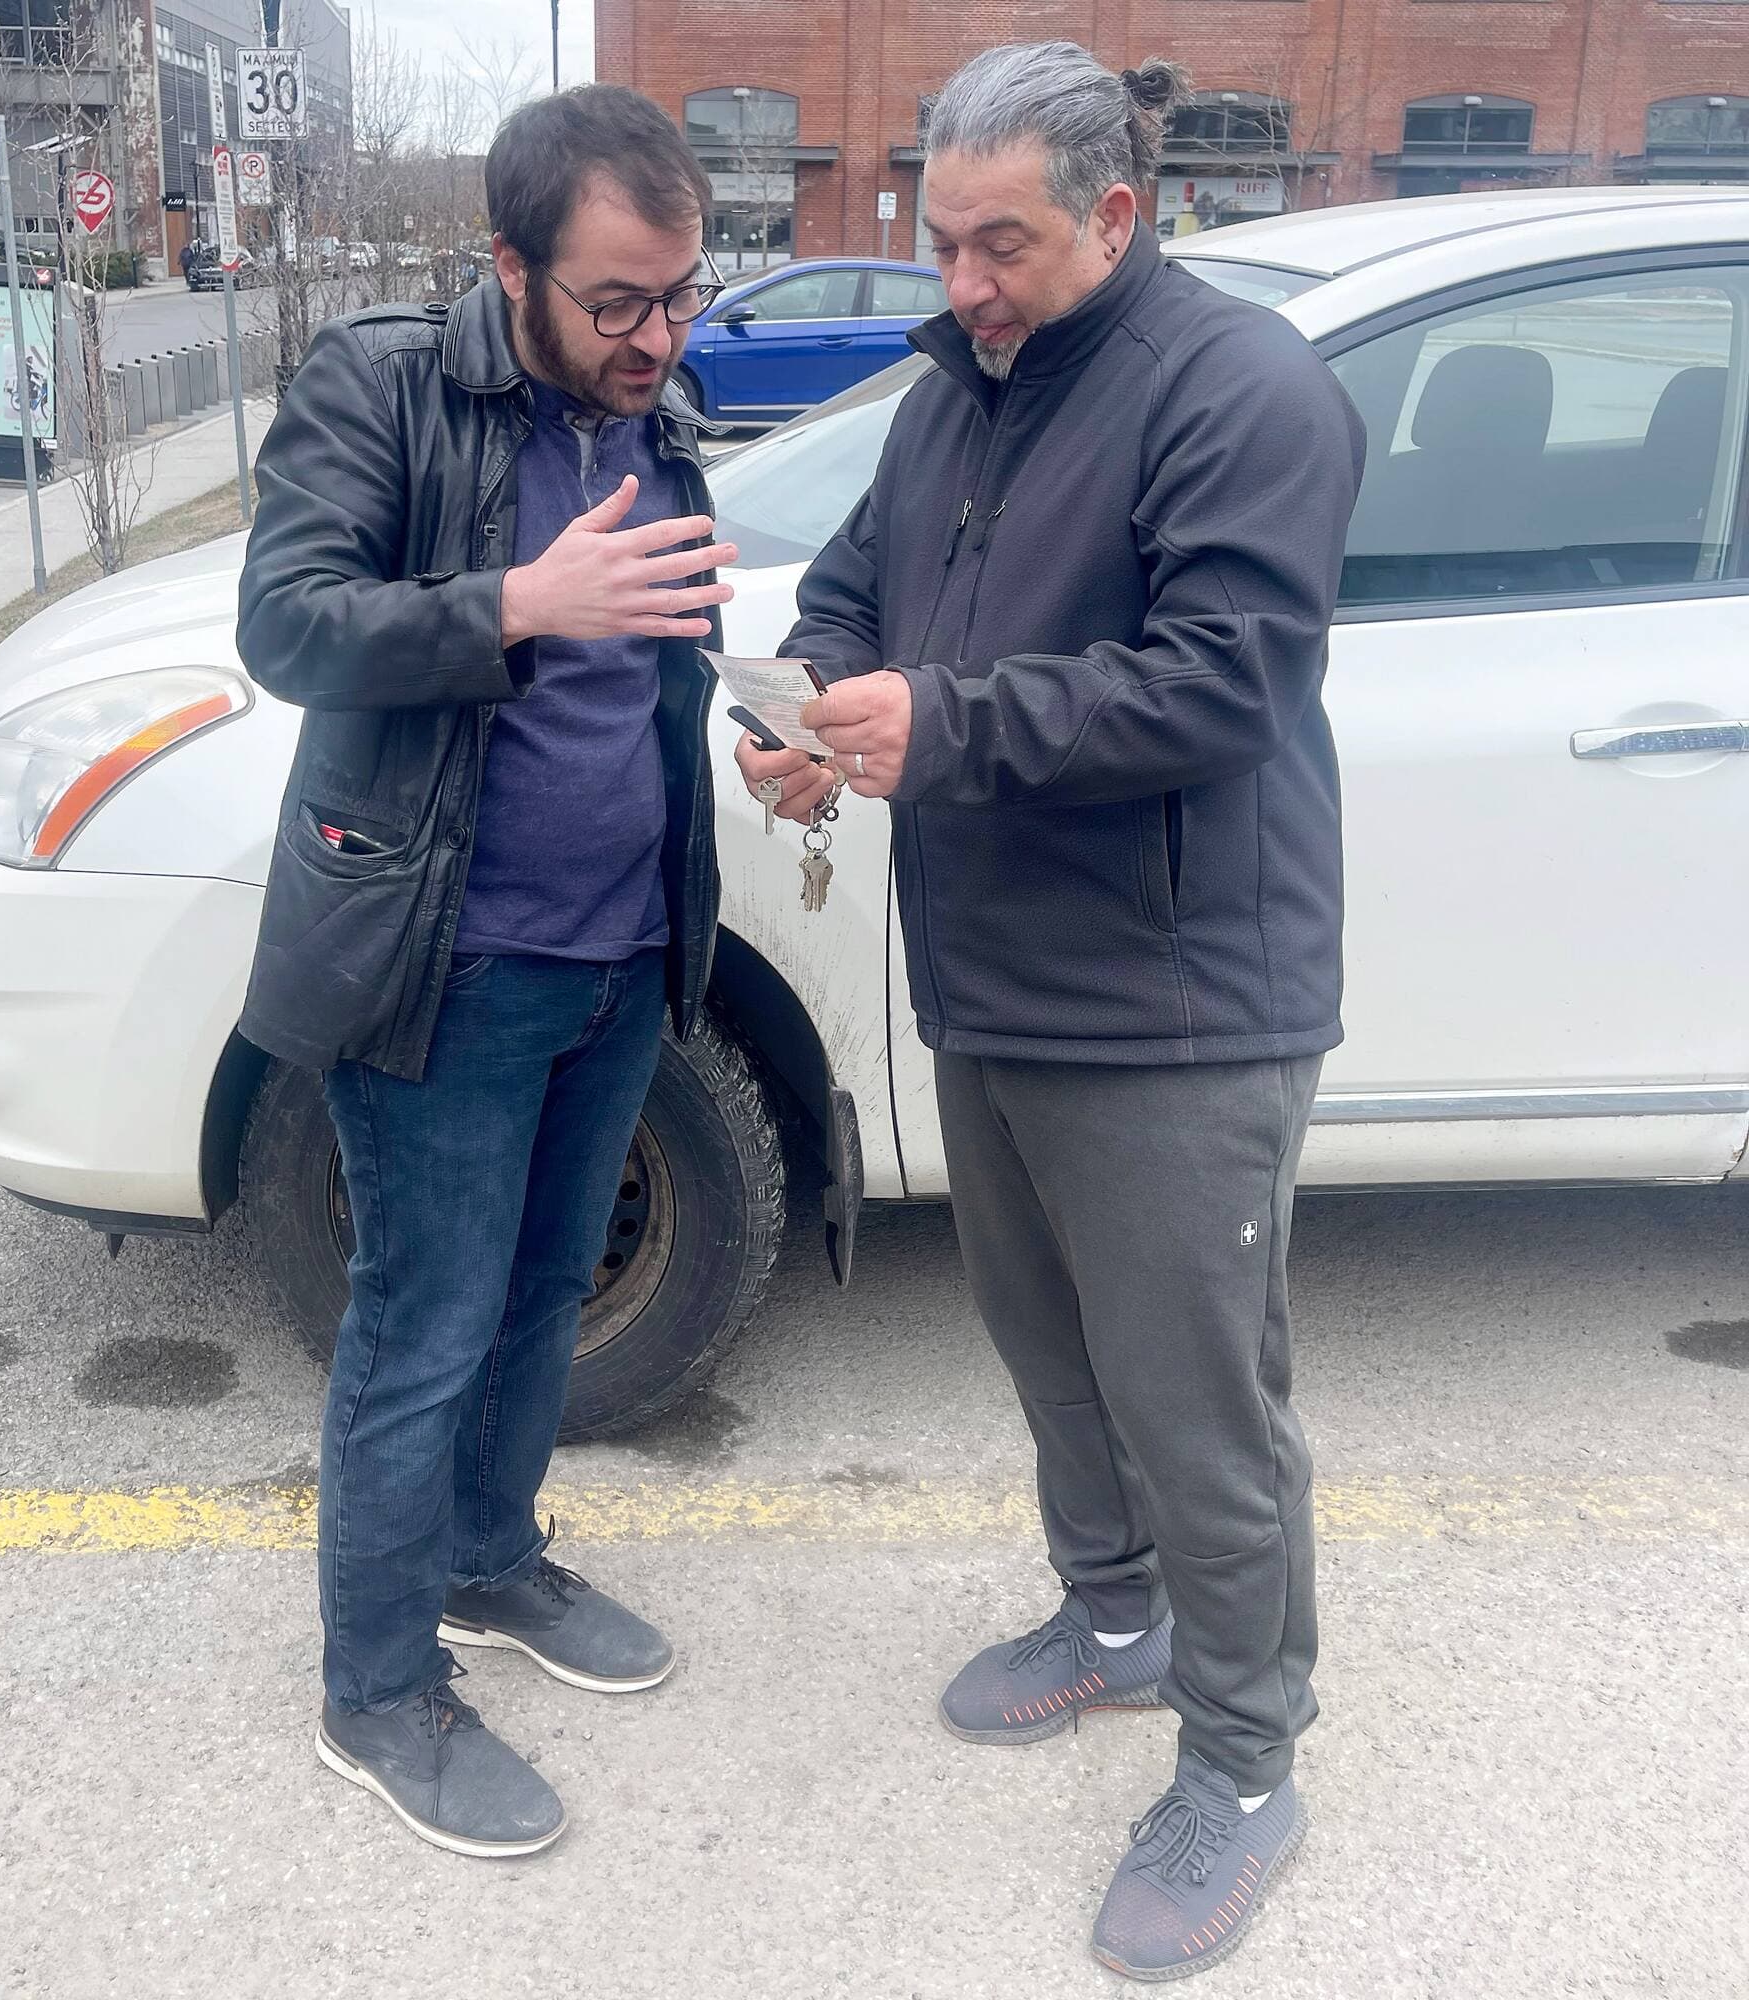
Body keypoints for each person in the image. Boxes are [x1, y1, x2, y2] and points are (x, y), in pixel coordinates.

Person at [738, 41, 1365, 1982]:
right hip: (997, 975)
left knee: (1200, 1403)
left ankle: (1246, 1763)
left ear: (1118, 212)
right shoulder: (961, 396)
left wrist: (945, 725)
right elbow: (853, 586)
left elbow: (1218, 685)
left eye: (1000, 244)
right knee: (1046, 1345)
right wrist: (814, 711)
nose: (964, 285)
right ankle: (1115, 1622)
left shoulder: (1241, 393)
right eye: (940, 241)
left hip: (1178, 999)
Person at [233, 86, 734, 1859]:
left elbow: (654, 651)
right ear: (508, 265)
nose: (657, 337)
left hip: (616, 951)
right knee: (423, 1327)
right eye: (617, 300)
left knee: (539, 1302)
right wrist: (517, 602)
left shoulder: (652, 410)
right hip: (444, 960)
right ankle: (375, 1695)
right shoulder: (383, 384)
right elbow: (287, 624)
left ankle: (487, 1559)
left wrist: (748, 727)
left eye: (681, 294)